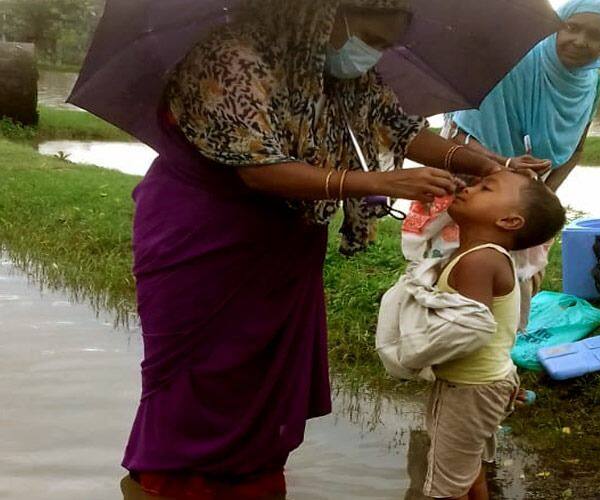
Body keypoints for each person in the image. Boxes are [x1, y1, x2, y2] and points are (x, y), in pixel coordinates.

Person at [120, 1, 505, 498]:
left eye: (385, 44)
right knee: (200, 378)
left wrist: (486, 164)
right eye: (370, 36)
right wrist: (373, 180)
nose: (372, 53)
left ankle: (253, 481)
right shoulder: (231, 59)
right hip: (206, 237)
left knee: (264, 384)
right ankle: (165, 485)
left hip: (286, 244)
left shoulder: (333, 71)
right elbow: (256, 168)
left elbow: (402, 128)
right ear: (327, 14)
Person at [445, 0, 600, 331]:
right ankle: (454, 361)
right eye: (572, 27)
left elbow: (575, 150)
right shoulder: (513, 62)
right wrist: (502, 169)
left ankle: (499, 359)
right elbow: (459, 134)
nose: (581, 41)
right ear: (555, 25)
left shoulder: (593, 84)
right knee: (461, 280)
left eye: (597, 36)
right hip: (474, 186)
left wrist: (541, 196)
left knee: (518, 285)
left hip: (530, 199)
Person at [424, 170, 566, 500]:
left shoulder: (479, 260)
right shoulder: (478, 254)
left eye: (485, 187)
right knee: (468, 469)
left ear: (509, 221)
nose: (468, 188)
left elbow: (467, 331)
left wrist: (413, 351)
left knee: (447, 486)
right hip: (484, 382)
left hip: (469, 389)